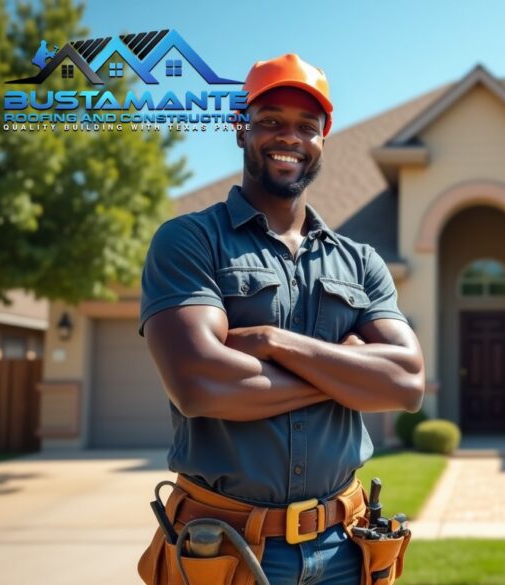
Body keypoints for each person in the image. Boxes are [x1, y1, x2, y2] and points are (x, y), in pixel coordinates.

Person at [139, 53, 425, 585]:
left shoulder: (359, 263)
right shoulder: (190, 241)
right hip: (224, 546)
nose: (288, 137)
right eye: (270, 120)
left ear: (322, 139)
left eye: (306, 126)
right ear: (240, 128)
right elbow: (199, 384)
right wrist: (349, 373)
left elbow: (407, 383)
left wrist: (271, 341)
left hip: (346, 546)